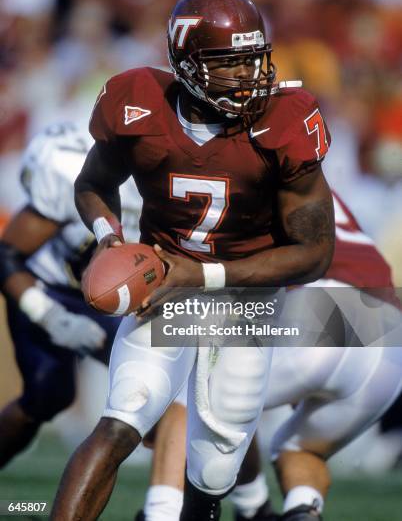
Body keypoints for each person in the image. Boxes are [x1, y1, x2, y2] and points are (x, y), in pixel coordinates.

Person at [51, 0, 335, 521]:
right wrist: (110, 237)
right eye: (228, 64)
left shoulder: (287, 120)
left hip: (248, 300)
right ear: (184, 62)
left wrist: (200, 278)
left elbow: (314, 254)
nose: (247, 76)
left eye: (253, 60)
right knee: (122, 419)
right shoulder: (137, 102)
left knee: (214, 471)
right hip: (163, 283)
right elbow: (93, 182)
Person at [134, 192, 402, 521]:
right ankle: (298, 509)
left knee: (191, 389)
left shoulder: (247, 174)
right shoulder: (307, 179)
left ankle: (161, 513)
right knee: (301, 449)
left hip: (321, 306)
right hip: (391, 340)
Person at [0, 120, 141, 468]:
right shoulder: (69, 172)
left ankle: (175, 504)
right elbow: (6, 254)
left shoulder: (176, 179)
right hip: (50, 287)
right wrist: (51, 317)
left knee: (158, 392)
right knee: (49, 394)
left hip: (118, 296)